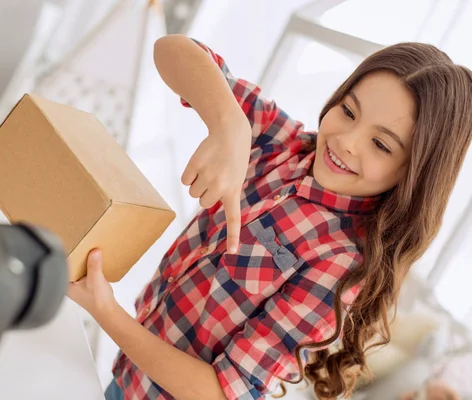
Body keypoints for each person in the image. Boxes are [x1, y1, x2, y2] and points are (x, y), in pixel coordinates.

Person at [67, 34, 472, 400]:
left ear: (413, 173)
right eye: (348, 111)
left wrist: (106, 310)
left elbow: (222, 391)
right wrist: (231, 128)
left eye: (381, 144)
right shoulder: (283, 143)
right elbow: (171, 50)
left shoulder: (342, 262)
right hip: (128, 377)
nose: (347, 142)